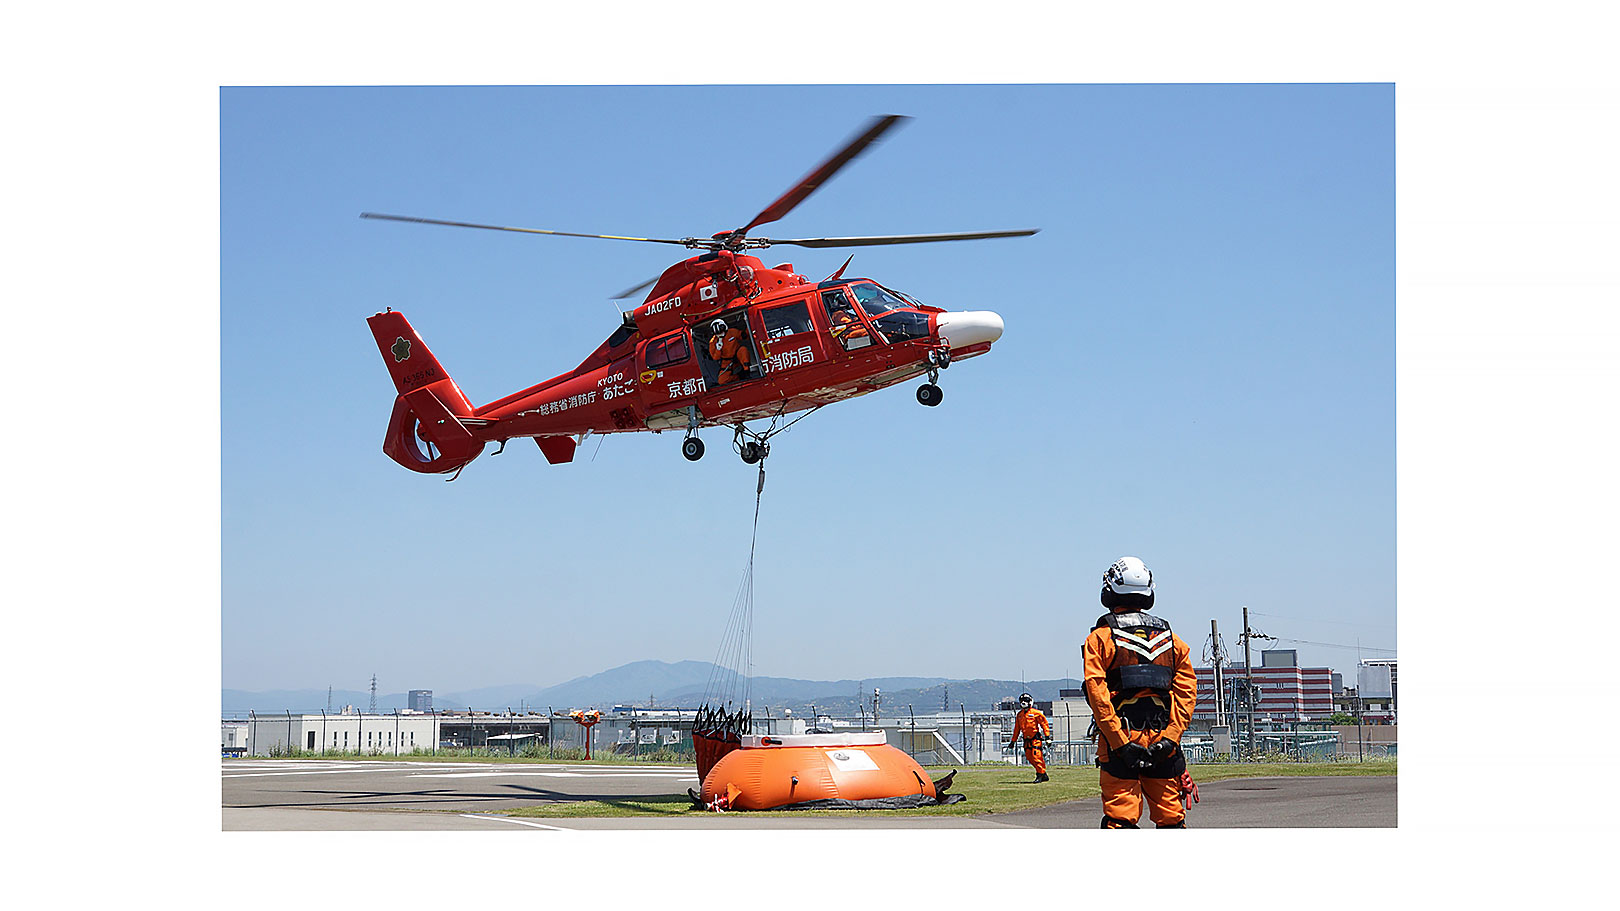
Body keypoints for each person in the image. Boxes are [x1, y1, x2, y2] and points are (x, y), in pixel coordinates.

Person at [1082, 556, 1199, 828]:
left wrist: (1120, 743)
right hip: (1163, 740)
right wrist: (1170, 739)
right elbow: (1186, 692)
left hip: (1120, 739)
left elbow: (1097, 693)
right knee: (1171, 819)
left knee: (1120, 819)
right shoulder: (1172, 640)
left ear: (1109, 589)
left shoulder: (1100, 638)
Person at [1009, 692, 1051, 782]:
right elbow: (1017, 729)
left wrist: (1047, 737)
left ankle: (1040, 774)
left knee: (1037, 757)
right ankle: (1043, 774)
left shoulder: (1036, 713)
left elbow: (1044, 724)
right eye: (1022, 701)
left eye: (1026, 701)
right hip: (1026, 739)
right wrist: (1013, 741)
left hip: (1035, 739)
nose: (1023, 703)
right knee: (1029, 757)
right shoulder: (1020, 715)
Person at [707, 318, 752, 385]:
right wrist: (718, 349)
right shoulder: (712, 342)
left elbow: (744, 336)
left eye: (721, 332)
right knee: (722, 380)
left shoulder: (731, 332)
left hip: (738, 355)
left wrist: (749, 322)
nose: (720, 335)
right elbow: (715, 358)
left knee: (743, 350)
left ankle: (747, 372)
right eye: (718, 334)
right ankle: (739, 377)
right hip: (727, 361)